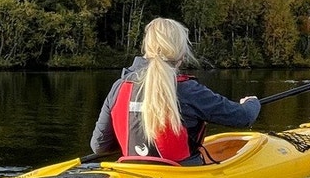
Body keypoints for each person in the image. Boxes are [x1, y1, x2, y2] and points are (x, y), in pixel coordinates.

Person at [90, 18, 260, 164]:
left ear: (146, 49)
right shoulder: (188, 90)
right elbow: (244, 117)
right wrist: (251, 103)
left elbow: (99, 146)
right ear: (181, 55)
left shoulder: (119, 87)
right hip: (182, 177)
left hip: (134, 174)